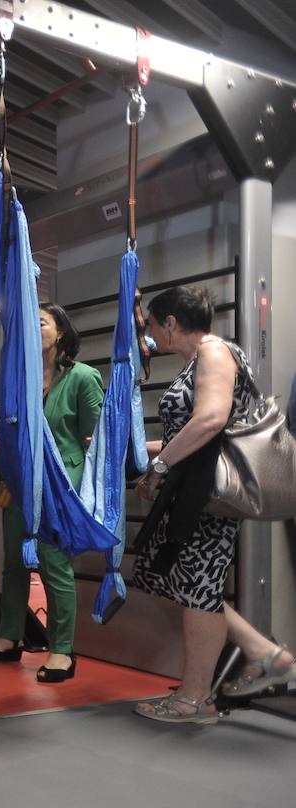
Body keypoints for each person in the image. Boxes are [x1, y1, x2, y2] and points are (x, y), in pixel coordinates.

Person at [130, 285, 294, 723]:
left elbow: (211, 419)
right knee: (182, 582)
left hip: (208, 496)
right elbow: (196, 432)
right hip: (196, 490)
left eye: (151, 325)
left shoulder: (214, 352)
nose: (149, 336)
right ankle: (266, 654)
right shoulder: (199, 359)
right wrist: (140, 450)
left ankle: (194, 698)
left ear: (171, 323)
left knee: (198, 590)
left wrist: (160, 467)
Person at [0, 304, 102, 681]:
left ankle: (62, 649)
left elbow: (94, 442)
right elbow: (5, 433)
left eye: (41, 322)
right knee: (13, 562)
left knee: (54, 563)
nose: (34, 328)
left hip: (61, 485)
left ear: (61, 331)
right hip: (18, 483)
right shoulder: (17, 381)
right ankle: (9, 637)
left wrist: (82, 491)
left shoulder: (83, 377)